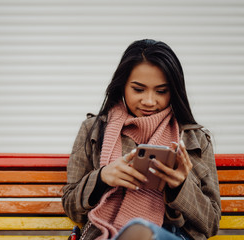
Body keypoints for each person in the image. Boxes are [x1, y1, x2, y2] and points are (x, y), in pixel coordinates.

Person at [62, 39, 221, 240]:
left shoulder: (194, 139)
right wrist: (102, 179)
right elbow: (71, 207)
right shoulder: (93, 129)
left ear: (173, 91)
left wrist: (180, 187)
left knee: (141, 232)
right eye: (138, 89)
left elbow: (211, 223)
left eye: (161, 91)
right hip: (107, 235)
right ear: (122, 86)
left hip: (173, 236)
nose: (149, 101)